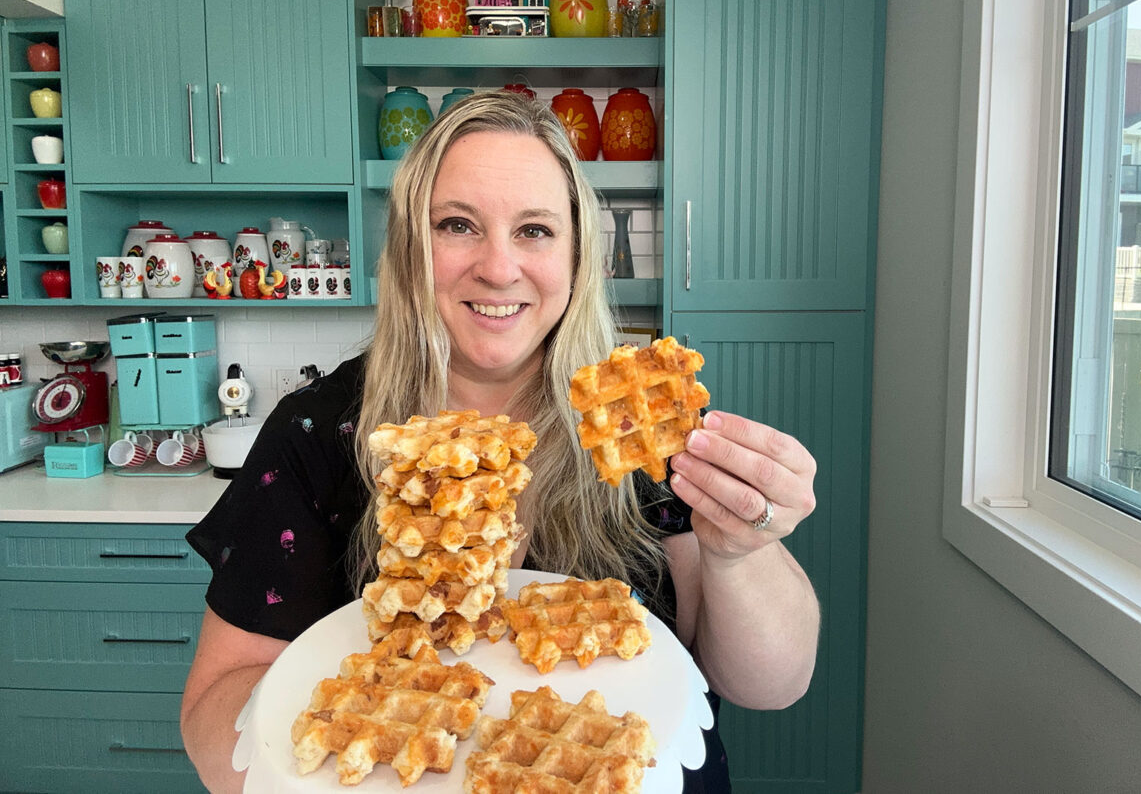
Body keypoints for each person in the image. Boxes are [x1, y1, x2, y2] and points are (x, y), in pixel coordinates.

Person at [180, 90, 820, 792]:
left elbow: (774, 685)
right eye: (458, 225)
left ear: (578, 257)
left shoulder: (638, 429)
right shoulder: (317, 434)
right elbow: (213, 709)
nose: (498, 267)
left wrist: (739, 552)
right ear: (410, 250)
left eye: (535, 230)